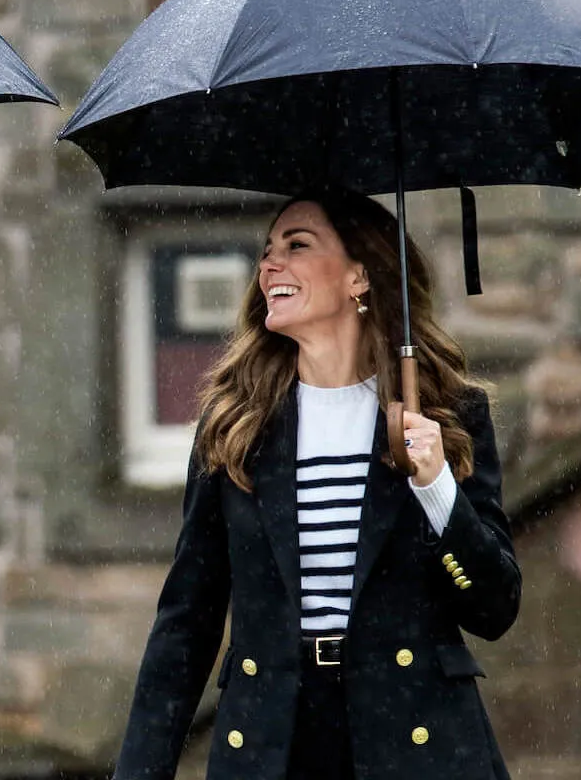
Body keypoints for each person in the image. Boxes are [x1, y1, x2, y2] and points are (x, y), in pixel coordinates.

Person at [114, 187, 521, 780]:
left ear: (360, 276)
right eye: (267, 250)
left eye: (296, 245)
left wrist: (437, 488)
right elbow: (187, 620)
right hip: (270, 739)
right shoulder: (235, 425)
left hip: (415, 740)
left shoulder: (446, 414)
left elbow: (494, 607)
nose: (268, 265)